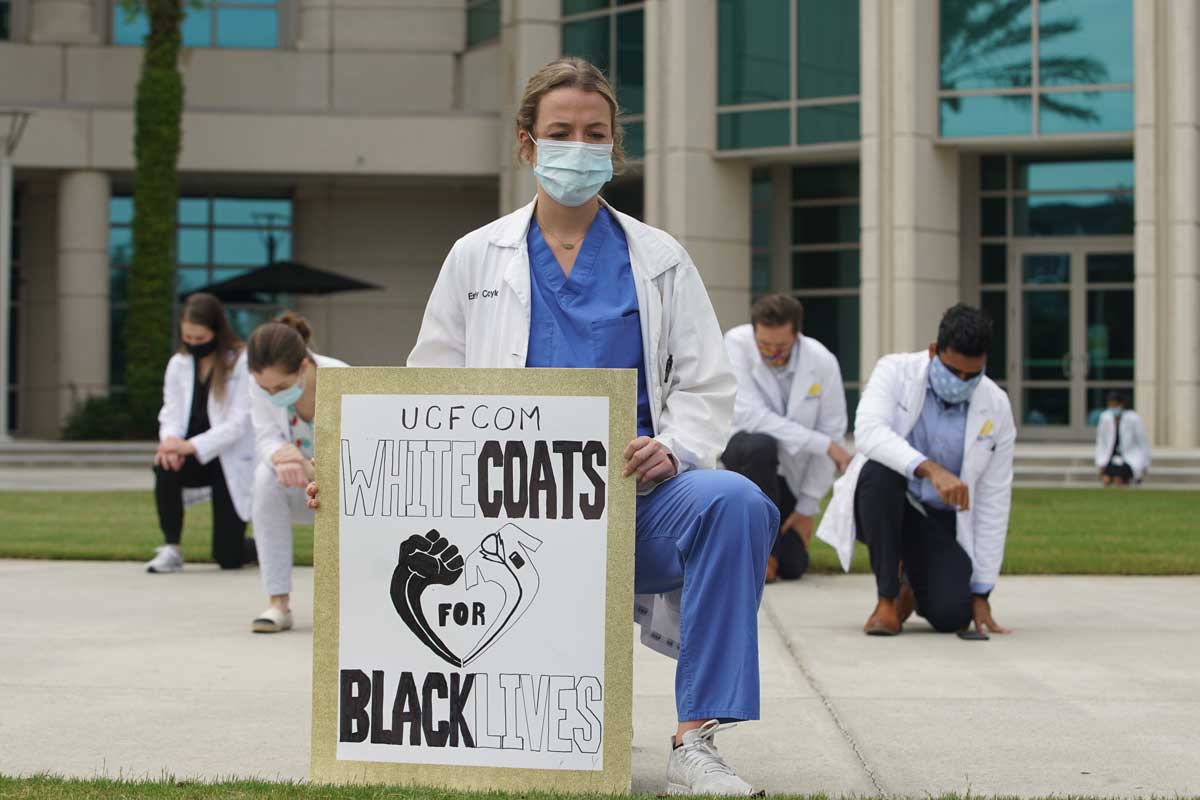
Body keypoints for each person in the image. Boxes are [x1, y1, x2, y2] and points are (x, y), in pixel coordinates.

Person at [307, 57, 777, 796]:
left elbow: (708, 382)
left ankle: (696, 742)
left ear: (616, 147)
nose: (578, 148)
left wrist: (676, 449)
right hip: (507, 512)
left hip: (633, 501)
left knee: (738, 504)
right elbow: (426, 389)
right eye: (561, 132)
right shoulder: (476, 256)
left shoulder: (658, 258)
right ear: (527, 144)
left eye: (596, 134)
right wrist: (351, 475)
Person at [815, 304, 1016, 638]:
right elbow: (869, 432)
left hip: (937, 521)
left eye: (972, 375)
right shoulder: (894, 371)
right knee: (881, 471)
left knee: (952, 614)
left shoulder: (996, 405)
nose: (961, 382)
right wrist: (930, 469)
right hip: (882, 505)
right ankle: (887, 600)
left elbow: (995, 499)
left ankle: (911, 580)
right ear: (934, 351)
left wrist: (982, 591)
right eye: (953, 372)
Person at [720, 293, 851, 583]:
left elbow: (833, 431)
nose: (771, 352)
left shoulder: (822, 361)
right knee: (759, 444)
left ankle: (774, 554)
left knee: (794, 566)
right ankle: (760, 554)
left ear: (797, 335)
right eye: (764, 345)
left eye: (780, 346)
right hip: (743, 460)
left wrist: (806, 508)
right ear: (754, 333)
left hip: (789, 474)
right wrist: (823, 445)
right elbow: (751, 415)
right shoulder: (736, 344)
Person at [246, 312, 347, 634]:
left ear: (304, 367)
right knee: (265, 480)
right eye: (266, 388)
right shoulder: (259, 386)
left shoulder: (343, 377)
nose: (272, 394)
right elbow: (265, 434)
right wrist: (281, 456)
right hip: (295, 485)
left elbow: (359, 453)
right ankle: (278, 603)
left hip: (343, 488)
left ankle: (351, 605)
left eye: (282, 387)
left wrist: (309, 466)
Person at [147, 293, 255, 573]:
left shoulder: (240, 362)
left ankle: (256, 546)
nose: (194, 345)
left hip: (227, 458)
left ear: (216, 333)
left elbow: (238, 423)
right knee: (165, 463)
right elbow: (170, 410)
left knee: (227, 557)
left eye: (200, 338)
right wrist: (170, 441)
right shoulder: (178, 364)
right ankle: (172, 547)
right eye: (188, 339)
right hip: (190, 455)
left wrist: (190, 446)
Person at [1095, 392, 1150, 486]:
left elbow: (1142, 442)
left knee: (1118, 479)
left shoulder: (1133, 418)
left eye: (1115, 405)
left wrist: (1145, 464)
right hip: (1111, 457)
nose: (1113, 408)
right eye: (1111, 405)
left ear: (1121, 404)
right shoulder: (1105, 418)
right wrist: (1100, 462)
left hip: (1130, 458)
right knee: (1106, 479)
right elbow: (1101, 442)